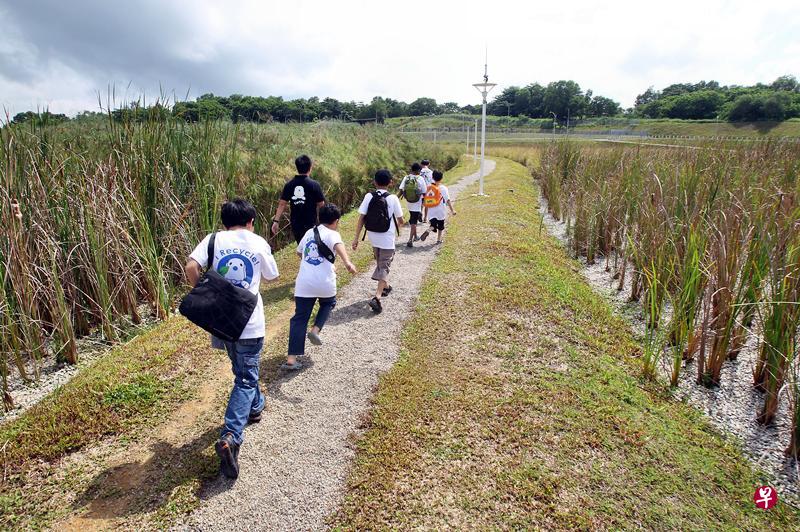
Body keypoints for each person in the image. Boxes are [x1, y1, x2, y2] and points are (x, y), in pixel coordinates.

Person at [185, 199, 279, 480]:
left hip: (222, 321)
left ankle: (256, 406)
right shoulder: (257, 241)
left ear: (224, 222)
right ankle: (231, 437)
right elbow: (273, 276)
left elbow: (191, 266)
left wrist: (206, 295)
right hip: (249, 322)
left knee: (242, 370)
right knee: (246, 378)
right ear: (250, 221)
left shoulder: (213, 239)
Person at [284, 204, 357, 371]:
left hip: (304, 283)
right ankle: (315, 330)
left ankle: (291, 359)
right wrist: (347, 262)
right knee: (328, 303)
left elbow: (299, 252)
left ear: (319, 218)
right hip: (324, 282)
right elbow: (339, 246)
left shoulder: (310, 232)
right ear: (336, 221)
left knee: (299, 319)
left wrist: (308, 261)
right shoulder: (333, 234)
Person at [352, 169, 405, 314]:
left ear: (374, 182)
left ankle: (386, 286)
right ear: (390, 182)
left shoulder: (369, 196)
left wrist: (356, 238)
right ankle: (377, 297)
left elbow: (361, 218)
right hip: (387, 237)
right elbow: (400, 220)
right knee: (385, 266)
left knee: (380, 262)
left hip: (373, 236)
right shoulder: (393, 198)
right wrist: (401, 224)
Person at [271, 154, 326, 243]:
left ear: (297, 167)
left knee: (301, 244)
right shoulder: (314, 185)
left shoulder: (289, 185)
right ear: (310, 167)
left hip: (296, 223)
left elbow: (282, 204)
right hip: (311, 222)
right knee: (311, 245)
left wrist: (276, 221)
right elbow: (321, 205)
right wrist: (323, 222)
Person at [420, 170, 456, 245]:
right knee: (440, 225)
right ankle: (439, 240)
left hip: (431, 210)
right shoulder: (443, 188)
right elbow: (448, 200)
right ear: (441, 178)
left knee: (433, 224)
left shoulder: (429, 187)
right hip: (440, 210)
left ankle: (429, 229)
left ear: (432, 177)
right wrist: (452, 210)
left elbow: (425, 198)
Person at [398, 162, 427, 248]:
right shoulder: (420, 178)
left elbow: (401, 190)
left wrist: (395, 199)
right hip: (417, 202)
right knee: (414, 221)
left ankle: (415, 236)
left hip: (409, 202)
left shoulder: (406, 177)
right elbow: (424, 192)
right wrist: (424, 202)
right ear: (419, 170)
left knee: (412, 218)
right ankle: (410, 240)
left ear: (411, 169)